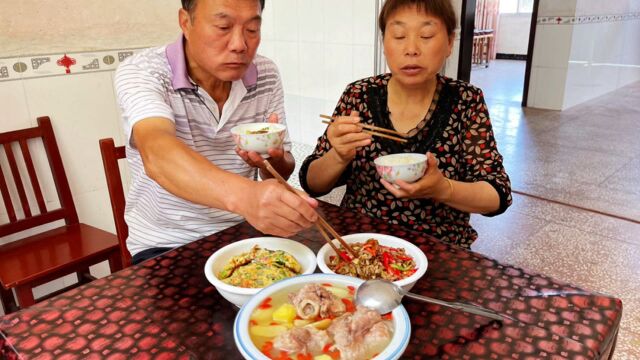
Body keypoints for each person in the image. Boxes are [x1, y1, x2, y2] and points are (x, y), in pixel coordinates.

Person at [114, 0, 318, 264]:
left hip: (242, 232)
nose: (240, 44)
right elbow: (158, 155)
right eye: (223, 26)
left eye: (252, 30)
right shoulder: (144, 72)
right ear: (186, 22)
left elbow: (280, 169)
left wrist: (273, 161)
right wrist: (248, 196)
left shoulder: (265, 73)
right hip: (168, 243)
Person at [299, 0, 512, 249]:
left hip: (439, 250)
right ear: (384, 42)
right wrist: (339, 155)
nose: (411, 49)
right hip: (361, 245)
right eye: (399, 36)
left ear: (450, 43)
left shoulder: (466, 100)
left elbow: (497, 195)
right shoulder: (359, 94)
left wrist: (443, 189)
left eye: (426, 35)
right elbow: (312, 183)